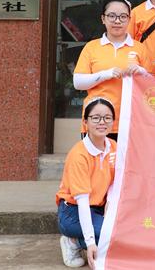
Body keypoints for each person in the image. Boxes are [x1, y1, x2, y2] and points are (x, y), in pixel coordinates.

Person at [73, 0, 151, 137]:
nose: (117, 21)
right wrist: (106, 74)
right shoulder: (91, 47)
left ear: (129, 19)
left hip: (131, 121)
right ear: (103, 19)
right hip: (97, 121)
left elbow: (152, 88)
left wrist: (141, 72)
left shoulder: (140, 48)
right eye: (112, 16)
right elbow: (78, 83)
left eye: (123, 16)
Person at [56, 97, 117, 269]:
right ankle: (73, 242)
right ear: (85, 122)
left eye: (107, 118)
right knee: (110, 235)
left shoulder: (113, 146)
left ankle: (80, 240)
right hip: (72, 212)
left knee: (120, 234)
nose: (102, 122)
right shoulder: (79, 155)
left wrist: (110, 205)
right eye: (95, 118)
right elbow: (82, 202)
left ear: (113, 122)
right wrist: (90, 243)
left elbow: (115, 183)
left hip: (98, 209)